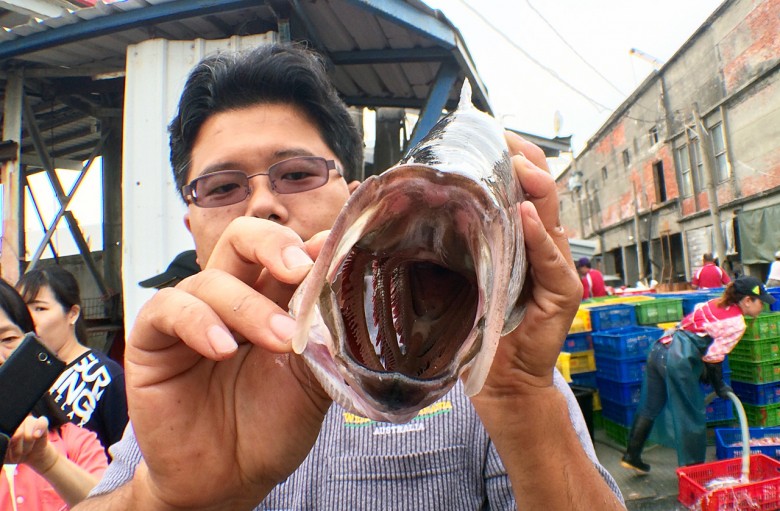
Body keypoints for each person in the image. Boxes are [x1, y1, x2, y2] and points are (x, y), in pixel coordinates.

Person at [75, 43, 624, 510]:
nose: (262, 205)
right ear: (192, 229)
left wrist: (520, 395)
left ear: (356, 195)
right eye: (222, 188)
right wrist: (164, 498)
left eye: (297, 174)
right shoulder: (186, 379)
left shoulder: (484, 358)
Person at [621, 275, 776, 473]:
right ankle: (694, 472)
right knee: (690, 416)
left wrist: (705, 370)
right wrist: (719, 386)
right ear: (747, 300)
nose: (762, 307)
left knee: (649, 406)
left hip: (660, 348)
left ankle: (631, 455)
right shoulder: (737, 323)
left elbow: (697, 331)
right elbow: (714, 357)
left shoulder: (714, 303)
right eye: (760, 302)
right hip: (677, 360)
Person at [0, 279, 108, 509]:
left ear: (33, 346)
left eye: (8, 339)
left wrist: (46, 461)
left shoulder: (76, 443)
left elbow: (113, 505)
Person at [16, 267, 128, 454]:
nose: (28, 318)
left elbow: (130, 461)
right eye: (22, 309)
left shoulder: (104, 376)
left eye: (39, 308)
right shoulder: (18, 375)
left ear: (73, 313)